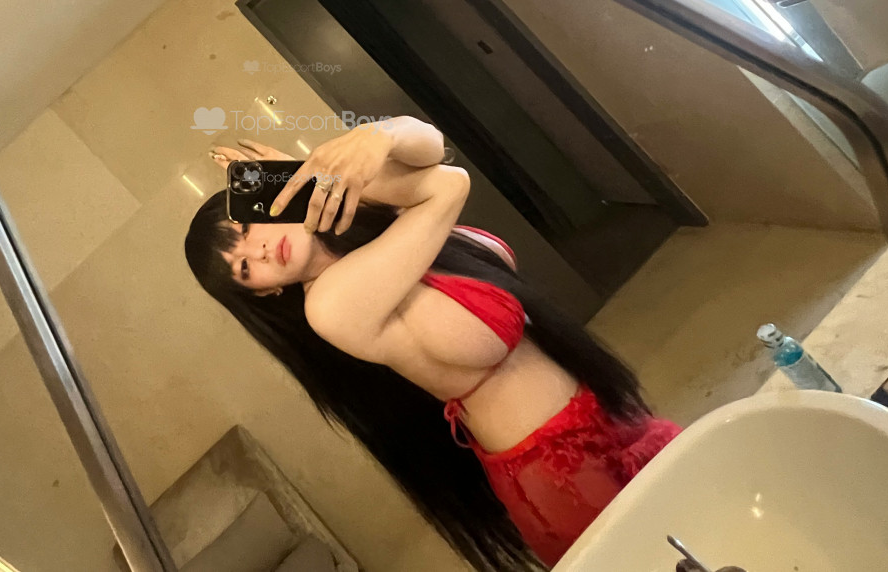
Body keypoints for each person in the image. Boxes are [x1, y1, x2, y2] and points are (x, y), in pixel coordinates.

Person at [183, 116, 681, 569]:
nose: (260, 249)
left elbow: (431, 149)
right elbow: (449, 185)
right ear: (265, 292)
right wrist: (307, 176)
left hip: (602, 414)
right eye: (244, 268)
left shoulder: (364, 228)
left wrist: (375, 138)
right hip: (559, 470)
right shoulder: (331, 306)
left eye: (247, 226)